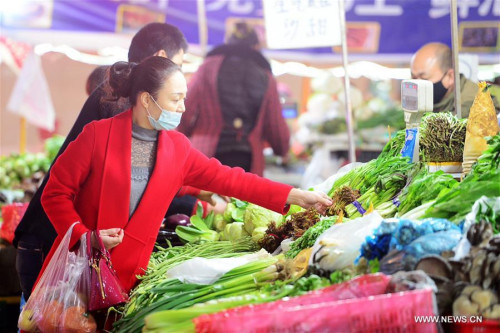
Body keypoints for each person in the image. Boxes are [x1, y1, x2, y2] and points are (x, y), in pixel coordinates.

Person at [39, 57, 332, 305]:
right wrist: (85, 236)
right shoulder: (96, 136)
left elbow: (231, 179)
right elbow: (54, 194)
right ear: (146, 100)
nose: (182, 108)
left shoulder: (178, 149)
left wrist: (295, 196)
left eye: (184, 98)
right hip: (76, 276)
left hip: (129, 282)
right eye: (175, 99)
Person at [13, 23, 215, 300]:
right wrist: (193, 196)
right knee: (43, 320)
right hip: (51, 244)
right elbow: (138, 181)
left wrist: (193, 190)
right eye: (178, 65)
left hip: (54, 242)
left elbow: (144, 176)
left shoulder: (121, 99)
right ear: (161, 57)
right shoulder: (122, 104)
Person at [177, 22, 290, 176]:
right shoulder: (265, 75)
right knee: (242, 200)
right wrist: (281, 148)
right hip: (248, 160)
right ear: (256, 45)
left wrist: (182, 135)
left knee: (206, 200)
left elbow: (184, 107)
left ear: (227, 42)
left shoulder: (207, 67)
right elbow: (275, 123)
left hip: (206, 154)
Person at [410, 42, 500, 118]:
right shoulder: (432, 101)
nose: (418, 83)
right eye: (414, 77)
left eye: (424, 78)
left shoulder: (471, 108)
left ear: (450, 76)